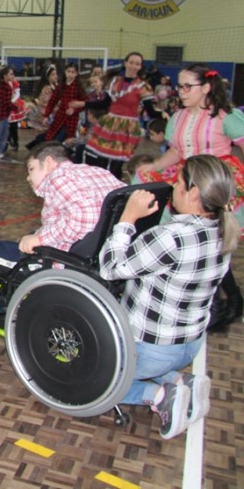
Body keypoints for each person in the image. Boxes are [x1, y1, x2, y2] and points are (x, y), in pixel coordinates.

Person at [99, 155, 238, 439]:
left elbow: (110, 268)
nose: (173, 186)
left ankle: (159, 395)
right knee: (151, 359)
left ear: (194, 193)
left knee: (94, 376)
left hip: (153, 349)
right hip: (190, 343)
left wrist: (127, 218)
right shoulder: (224, 231)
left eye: (179, 182)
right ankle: (181, 380)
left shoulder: (170, 236)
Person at [136, 63, 244, 331]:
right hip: (188, 179)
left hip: (213, 182)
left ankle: (228, 300)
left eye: (187, 86)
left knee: (212, 241)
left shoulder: (224, 117)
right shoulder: (179, 117)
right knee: (196, 240)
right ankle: (224, 300)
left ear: (206, 87)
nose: (181, 91)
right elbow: (176, 152)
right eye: (179, 86)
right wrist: (155, 167)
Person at [0, 142, 124, 275]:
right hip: (101, 257)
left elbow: (86, 218)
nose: (28, 177)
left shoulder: (58, 177)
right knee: (29, 236)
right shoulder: (98, 172)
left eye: (31, 169)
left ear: (48, 163)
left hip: (64, 262)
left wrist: (41, 239)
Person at [84, 52, 154, 178]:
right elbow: (105, 103)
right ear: (125, 63)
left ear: (140, 67)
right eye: (131, 62)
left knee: (116, 165)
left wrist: (162, 117)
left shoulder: (142, 86)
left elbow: (150, 110)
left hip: (127, 128)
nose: (133, 66)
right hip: (110, 125)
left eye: (137, 64)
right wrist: (84, 104)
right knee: (101, 162)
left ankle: (114, 192)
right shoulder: (115, 82)